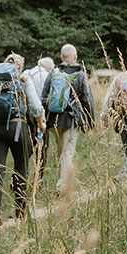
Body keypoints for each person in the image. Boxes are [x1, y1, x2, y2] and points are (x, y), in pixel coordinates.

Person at [0, 53, 44, 223]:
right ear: (19, 65)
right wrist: (41, 122)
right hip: (18, 127)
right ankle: (20, 209)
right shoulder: (24, 79)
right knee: (21, 168)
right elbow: (34, 106)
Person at [40, 44, 95, 195]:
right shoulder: (81, 75)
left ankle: (64, 182)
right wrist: (90, 123)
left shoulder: (53, 74)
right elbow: (87, 100)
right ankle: (62, 187)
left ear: (61, 57)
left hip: (54, 121)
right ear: (75, 57)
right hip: (72, 121)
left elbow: (43, 97)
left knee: (61, 153)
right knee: (68, 153)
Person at [23, 57, 55, 174]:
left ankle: (24, 173)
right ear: (49, 68)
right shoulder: (48, 76)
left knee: (27, 148)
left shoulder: (27, 73)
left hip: (28, 116)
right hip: (42, 117)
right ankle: (38, 176)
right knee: (42, 150)